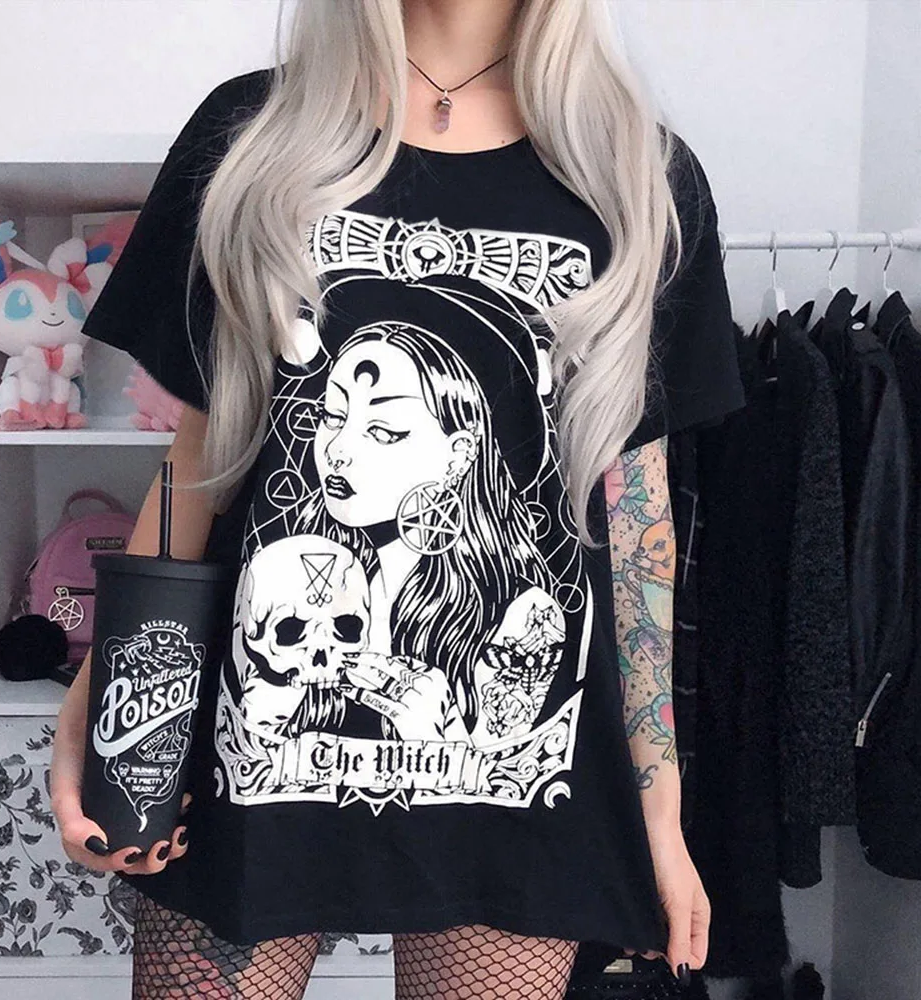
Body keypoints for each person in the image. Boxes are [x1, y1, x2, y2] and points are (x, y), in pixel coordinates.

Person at [50, 0, 746, 997]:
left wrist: (662, 818)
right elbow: (201, 458)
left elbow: (635, 525)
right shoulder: (251, 136)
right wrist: (99, 705)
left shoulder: (637, 175)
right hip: (245, 760)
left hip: (516, 795)